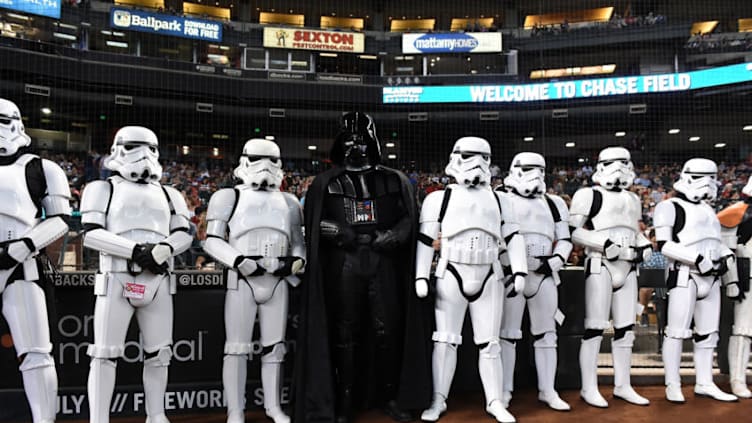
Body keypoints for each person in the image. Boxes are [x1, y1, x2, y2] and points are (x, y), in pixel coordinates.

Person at [294, 112, 430, 423]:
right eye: (350, 140)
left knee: (388, 332)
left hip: (383, 261)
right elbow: (314, 224)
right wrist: (339, 233)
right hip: (346, 262)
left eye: (362, 139)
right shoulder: (324, 183)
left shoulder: (395, 180)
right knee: (345, 333)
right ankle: (343, 402)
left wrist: (395, 235)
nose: (357, 145)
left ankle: (390, 396)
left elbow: (410, 218)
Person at [80, 126, 193, 423]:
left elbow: (184, 233)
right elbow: (91, 234)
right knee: (104, 354)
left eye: (149, 148)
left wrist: (163, 250)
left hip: (157, 280)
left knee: (160, 354)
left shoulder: (171, 194)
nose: (143, 154)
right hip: (116, 276)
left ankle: (156, 415)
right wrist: (136, 251)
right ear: (118, 148)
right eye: (133, 146)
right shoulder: (101, 188)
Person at [415, 137, 528, 423]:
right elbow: (426, 240)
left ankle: (494, 400)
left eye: (483, 157)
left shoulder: (501, 199)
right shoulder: (439, 198)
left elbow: (514, 237)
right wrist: (420, 275)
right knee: (445, 340)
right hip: (452, 270)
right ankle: (438, 399)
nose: (476, 163)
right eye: (469, 156)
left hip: (489, 272)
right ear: (455, 158)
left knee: (490, 342)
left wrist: (520, 270)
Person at [203, 138, 305, 423]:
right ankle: (235, 411)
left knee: (275, 347)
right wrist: (238, 261)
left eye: (273, 160)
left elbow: (298, 242)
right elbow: (211, 241)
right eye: (260, 158)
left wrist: (297, 262)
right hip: (242, 278)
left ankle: (273, 407)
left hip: (278, 279)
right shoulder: (228, 197)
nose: (267, 166)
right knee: (236, 347)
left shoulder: (290, 202)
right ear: (245, 160)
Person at [0, 98, 71, 423]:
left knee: (37, 354)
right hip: (20, 262)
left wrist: (25, 244)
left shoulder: (42, 168)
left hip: (21, 265)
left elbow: (60, 220)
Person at [569, 147, 651, 407]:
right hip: (600, 264)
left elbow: (634, 231)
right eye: (612, 163)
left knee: (626, 329)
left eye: (623, 163)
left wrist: (645, 245)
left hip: (628, 267)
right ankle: (588, 387)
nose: (619, 168)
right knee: (594, 328)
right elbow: (572, 231)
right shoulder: (588, 195)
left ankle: (623, 385)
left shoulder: (632, 199)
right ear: (601, 165)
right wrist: (602, 243)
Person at [654, 158, 738, 403]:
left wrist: (725, 257)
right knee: (676, 332)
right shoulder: (669, 206)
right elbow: (664, 244)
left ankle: (705, 381)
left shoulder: (708, 209)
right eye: (703, 177)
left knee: (708, 334)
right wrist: (695, 259)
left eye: (712, 178)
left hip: (711, 277)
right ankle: (672, 383)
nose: (709, 183)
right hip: (684, 274)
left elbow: (714, 240)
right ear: (688, 176)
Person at [497, 152, 572, 411]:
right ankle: (504, 390)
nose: (537, 174)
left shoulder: (555, 203)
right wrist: (509, 262)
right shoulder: (501, 200)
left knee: (547, 335)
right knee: (508, 335)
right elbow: (496, 236)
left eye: (541, 169)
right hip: (511, 274)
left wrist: (552, 262)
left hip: (545, 275)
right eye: (530, 168)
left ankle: (548, 390)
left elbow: (565, 239)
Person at [717, 175, 752, 399]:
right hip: (748, 278)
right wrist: (731, 280)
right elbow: (725, 250)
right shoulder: (737, 213)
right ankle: (737, 379)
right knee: (742, 330)